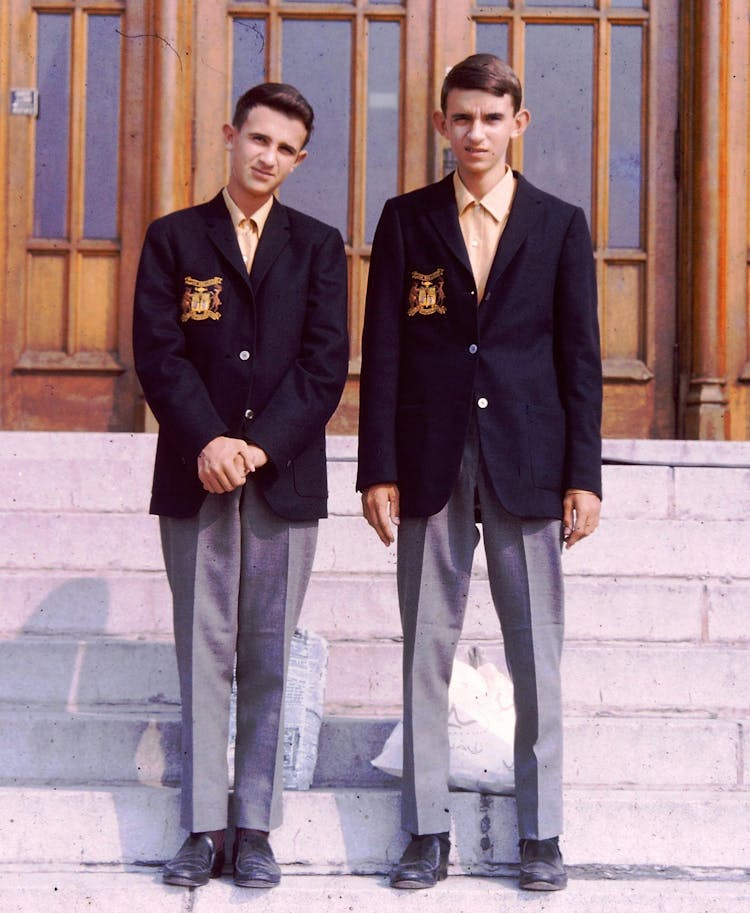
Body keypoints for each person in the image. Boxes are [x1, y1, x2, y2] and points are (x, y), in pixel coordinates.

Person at [357, 54, 602, 892]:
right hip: (429, 459)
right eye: (461, 118)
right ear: (440, 124)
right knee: (428, 645)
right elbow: (383, 351)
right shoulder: (406, 219)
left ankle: (542, 833)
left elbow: (579, 358)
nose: (475, 134)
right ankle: (426, 828)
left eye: (492, 119)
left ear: (518, 125)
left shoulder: (559, 222)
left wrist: (585, 474)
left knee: (537, 654)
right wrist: (376, 467)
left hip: (529, 461)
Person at [133, 82, 349, 890]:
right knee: (202, 651)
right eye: (256, 139)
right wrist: (209, 439)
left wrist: (255, 448)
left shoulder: (318, 247)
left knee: (266, 657)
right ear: (231, 136)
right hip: (196, 476)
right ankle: (201, 826)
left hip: (281, 482)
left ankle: (254, 825)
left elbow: (324, 365)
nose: (267, 157)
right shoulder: (175, 238)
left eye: (285, 148)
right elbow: (159, 354)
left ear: (300, 159)